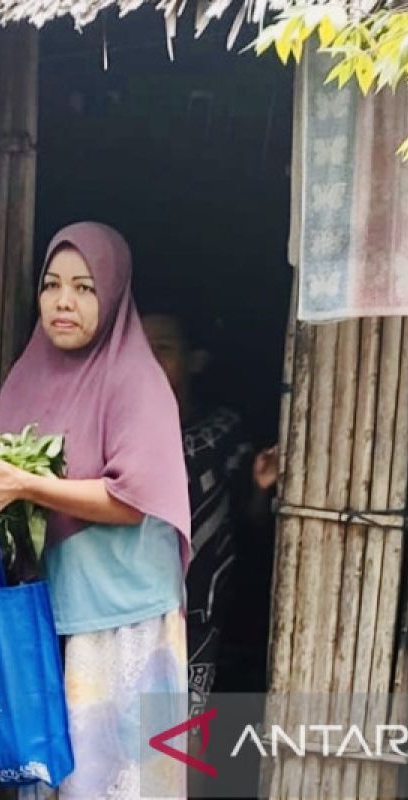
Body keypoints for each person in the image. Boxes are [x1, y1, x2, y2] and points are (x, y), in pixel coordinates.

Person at [0, 222, 192, 799]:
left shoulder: (137, 381)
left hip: (125, 622)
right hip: (52, 616)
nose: (63, 301)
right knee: (53, 782)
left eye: (85, 287)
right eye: (51, 285)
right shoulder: (31, 373)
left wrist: (26, 485)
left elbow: (127, 501)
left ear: (114, 294)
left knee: (118, 786)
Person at [141, 304, 278, 718]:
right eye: (138, 349)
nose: (148, 362)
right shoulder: (115, 430)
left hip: (200, 611)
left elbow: (250, 523)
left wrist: (258, 488)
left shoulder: (224, 431)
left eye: (162, 348)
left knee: (185, 733)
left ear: (195, 360)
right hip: (125, 608)